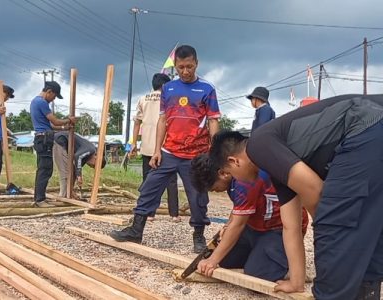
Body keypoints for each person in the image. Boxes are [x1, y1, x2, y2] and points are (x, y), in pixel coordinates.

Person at [209, 94, 383, 299]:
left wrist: (330, 233)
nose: (238, 180)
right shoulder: (278, 165)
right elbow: (290, 226)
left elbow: (316, 192)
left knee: (336, 228)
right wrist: (296, 281)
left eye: (232, 175)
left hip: (366, 125)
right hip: (371, 130)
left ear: (233, 161)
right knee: (369, 226)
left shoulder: (259, 145)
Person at [110, 45, 221, 253]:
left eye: (189, 66)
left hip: (196, 155)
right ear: (175, 67)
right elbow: (162, 120)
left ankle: (198, 236)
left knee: (197, 197)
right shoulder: (168, 89)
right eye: (181, 67)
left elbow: (213, 121)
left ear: (197, 63)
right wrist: (157, 150)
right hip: (169, 152)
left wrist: (214, 151)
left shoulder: (207, 89)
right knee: (148, 188)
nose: (185, 71)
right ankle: (136, 230)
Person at [191, 153, 308, 281]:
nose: (213, 190)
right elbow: (238, 208)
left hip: (279, 229)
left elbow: (238, 224)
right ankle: (259, 255)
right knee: (225, 259)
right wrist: (227, 225)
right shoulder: (234, 176)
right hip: (255, 226)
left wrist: (212, 261)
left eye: (212, 187)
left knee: (257, 276)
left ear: (223, 173)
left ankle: (286, 265)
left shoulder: (244, 179)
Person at [130, 73, 180, 222]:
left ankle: (149, 214)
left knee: (148, 180)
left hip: (146, 145)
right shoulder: (169, 98)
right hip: (166, 146)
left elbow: (137, 122)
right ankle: (174, 214)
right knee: (171, 181)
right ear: (165, 85)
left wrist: (133, 143)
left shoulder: (143, 99)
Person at [30, 81, 76, 207]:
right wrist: (69, 119)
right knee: (45, 169)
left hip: (43, 137)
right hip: (44, 138)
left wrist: (64, 128)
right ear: (49, 91)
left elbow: (50, 125)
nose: (53, 99)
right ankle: (39, 200)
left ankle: (40, 197)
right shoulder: (41, 102)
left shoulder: (36, 102)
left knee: (44, 168)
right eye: (54, 96)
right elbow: (55, 121)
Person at [53, 131, 106, 198]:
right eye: (93, 165)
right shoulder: (91, 150)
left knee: (71, 172)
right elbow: (77, 156)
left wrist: (76, 181)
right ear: (96, 158)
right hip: (60, 142)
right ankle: (63, 196)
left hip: (64, 144)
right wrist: (79, 176)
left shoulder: (86, 156)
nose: (90, 166)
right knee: (65, 173)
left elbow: (75, 171)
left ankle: (69, 193)